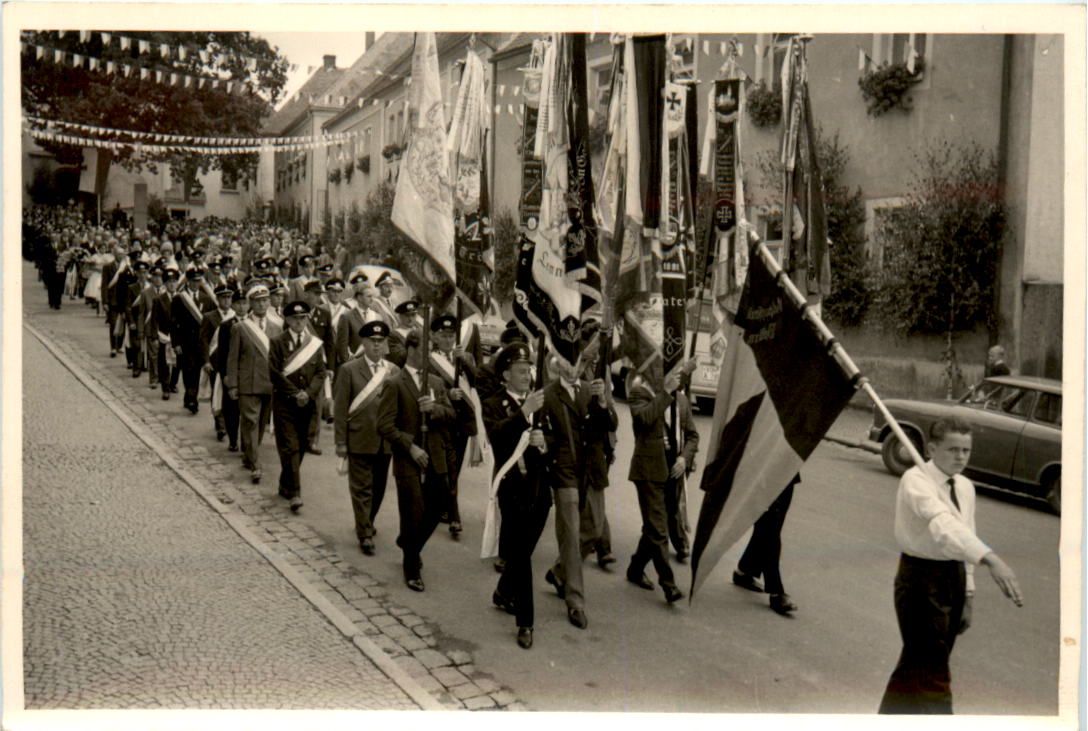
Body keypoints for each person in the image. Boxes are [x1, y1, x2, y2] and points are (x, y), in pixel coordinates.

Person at [878, 416, 1023, 714]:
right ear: (932, 449)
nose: (960, 457)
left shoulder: (965, 486)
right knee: (933, 673)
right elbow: (943, 527)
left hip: (953, 576)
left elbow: (965, 535)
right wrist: (991, 558)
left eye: (966, 450)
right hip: (920, 580)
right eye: (953, 450)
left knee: (917, 666)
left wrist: (968, 595)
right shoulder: (916, 481)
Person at [537, 352, 616, 629]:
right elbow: (544, 434)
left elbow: (611, 425)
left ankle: (560, 572)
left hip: (591, 470)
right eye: (566, 364)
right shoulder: (548, 395)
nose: (572, 370)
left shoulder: (590, 389)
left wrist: (603, 402)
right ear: (557, 366)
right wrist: (545, 446)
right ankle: (575, 601)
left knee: (594, 530)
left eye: (577, 364)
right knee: (571, 536)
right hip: (565, 471)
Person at [377, 329, 455, 593]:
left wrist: (434, 410)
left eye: (430, 351)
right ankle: (411, 566)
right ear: (410, 349)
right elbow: (384, 425)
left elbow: (452, 415)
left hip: (435, 455)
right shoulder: (395, 383)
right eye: (424, 350)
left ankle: (410, 544)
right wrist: (410, 447)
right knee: (413, 511)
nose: (428, 356)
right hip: (408, 458)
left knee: (440, 504)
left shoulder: (435, 382)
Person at [485, 342, 550, 649]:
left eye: (529, 370)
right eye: (521, 371)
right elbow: (497, 436)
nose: (527, 376)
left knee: (525, 549)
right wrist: (524, 413)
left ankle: (503, 591)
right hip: (512, 489)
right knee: (522, 556)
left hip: (539, 489)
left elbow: (557, 439)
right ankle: (526, 622)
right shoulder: (494, 404)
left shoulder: (540, 403)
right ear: (506, 375)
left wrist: (544, 442)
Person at [625, 360, 698, 605]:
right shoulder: (639, 393)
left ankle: (636, 568)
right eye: (668, 374)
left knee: (655, 526)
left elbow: (692, 436)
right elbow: (644, 419)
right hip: (648, 471)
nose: (674, 378)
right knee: (658, 529)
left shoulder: (682, 400)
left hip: (673, 472)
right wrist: (665, 393)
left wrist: (684, 458)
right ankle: (668, 584)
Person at [334, 320, 398, 555]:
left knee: (378, 487)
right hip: (359, 438)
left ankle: (367, 521)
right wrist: (340, 442)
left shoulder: (393, 371)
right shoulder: (349, 370)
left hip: (385, 442)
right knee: (362, 489)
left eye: (381, 341)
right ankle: (365, 533)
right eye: (372, 341)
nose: (377, 346)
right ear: (364, 342)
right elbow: (340, 408)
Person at [269, 301, 327, 513]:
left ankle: (286, 483)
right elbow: (274, 373)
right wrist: (295, 393)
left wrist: (308, 394)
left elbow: (320, 372)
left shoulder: (314, 344)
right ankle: (295, 493)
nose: (299, 322)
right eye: (295, 318)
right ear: (287, 320)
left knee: (302, 445)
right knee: (290, 446)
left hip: (307, 404)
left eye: (303, 318)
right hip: (285, 402)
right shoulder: (277, 342)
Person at [226, 282, 282, 484]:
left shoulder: (277, 327)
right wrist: (233, 385)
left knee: (260, 425)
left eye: (265, 300)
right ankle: (256, 464)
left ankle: (249, 454)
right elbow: (233, 358)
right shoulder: (240, 328)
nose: (261, 304)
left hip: (268, 384)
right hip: (248, 383)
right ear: (250, 303)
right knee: (250, 421)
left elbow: (279, 358)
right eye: (257, 301)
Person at [428, 313, 478, 538]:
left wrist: (464, 361)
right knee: (445, 467)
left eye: (451, 336)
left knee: (454, 468)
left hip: (462, 421)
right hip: (441, 420)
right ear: (434, 337)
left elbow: (478, 381)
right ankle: (454, 515)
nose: (448, 340)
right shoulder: (429, 360)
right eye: (443, 336)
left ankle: (445, 506)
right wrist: (448, 394)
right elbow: (427, 388)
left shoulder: (465, 357)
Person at [732, 475, 801, 616]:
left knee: (770, 526)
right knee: (770, 527)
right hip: (764, 474)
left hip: (787, 471)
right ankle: (776, 591)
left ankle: (745, 570)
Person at [214, 290, 249, 452]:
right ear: (233, 306)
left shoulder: (253, 324)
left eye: (244, 303)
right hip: (232, 371)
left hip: (248, 372)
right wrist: (225, 375)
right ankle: (233, 439)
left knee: (247, 409)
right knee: (231, 408)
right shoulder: (226, 325)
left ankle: (246, 441)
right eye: (238, 303)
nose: (242, 307)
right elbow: (222, 353)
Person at [171, 268, 209, 415]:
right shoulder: (179, 298)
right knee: (188, 370)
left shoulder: (206, 298)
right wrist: (176, 343)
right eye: (193, 281)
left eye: (198, 281)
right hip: (185, 342)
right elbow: (173, 323)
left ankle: (191, 397)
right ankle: (191, 397)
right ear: (187, 281)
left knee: (197, 370)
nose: (195, 284)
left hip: (200, 342)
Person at [201, 285, 236, 440]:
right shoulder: (209, 317)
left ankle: (229, 423)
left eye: (229, 297)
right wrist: (206, 361)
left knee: (230, 395)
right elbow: (203, 340)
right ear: (218, 299)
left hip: (232, 362)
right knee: (217, 391)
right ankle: (220, 424)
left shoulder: (236, 316)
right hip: (215, 361)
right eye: (223, 298)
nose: (226, 301)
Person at [153, 268, 182, 399]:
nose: (172, 284)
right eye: (169, 282)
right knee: (164, 362)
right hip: (164, 334)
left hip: (178, 335)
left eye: (174, 282)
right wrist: (154, 336)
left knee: (178, 361)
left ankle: (173, 383)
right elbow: (154, 319)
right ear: (165, 283)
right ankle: (165, 387)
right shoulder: (159, 299)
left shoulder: (181, 298)